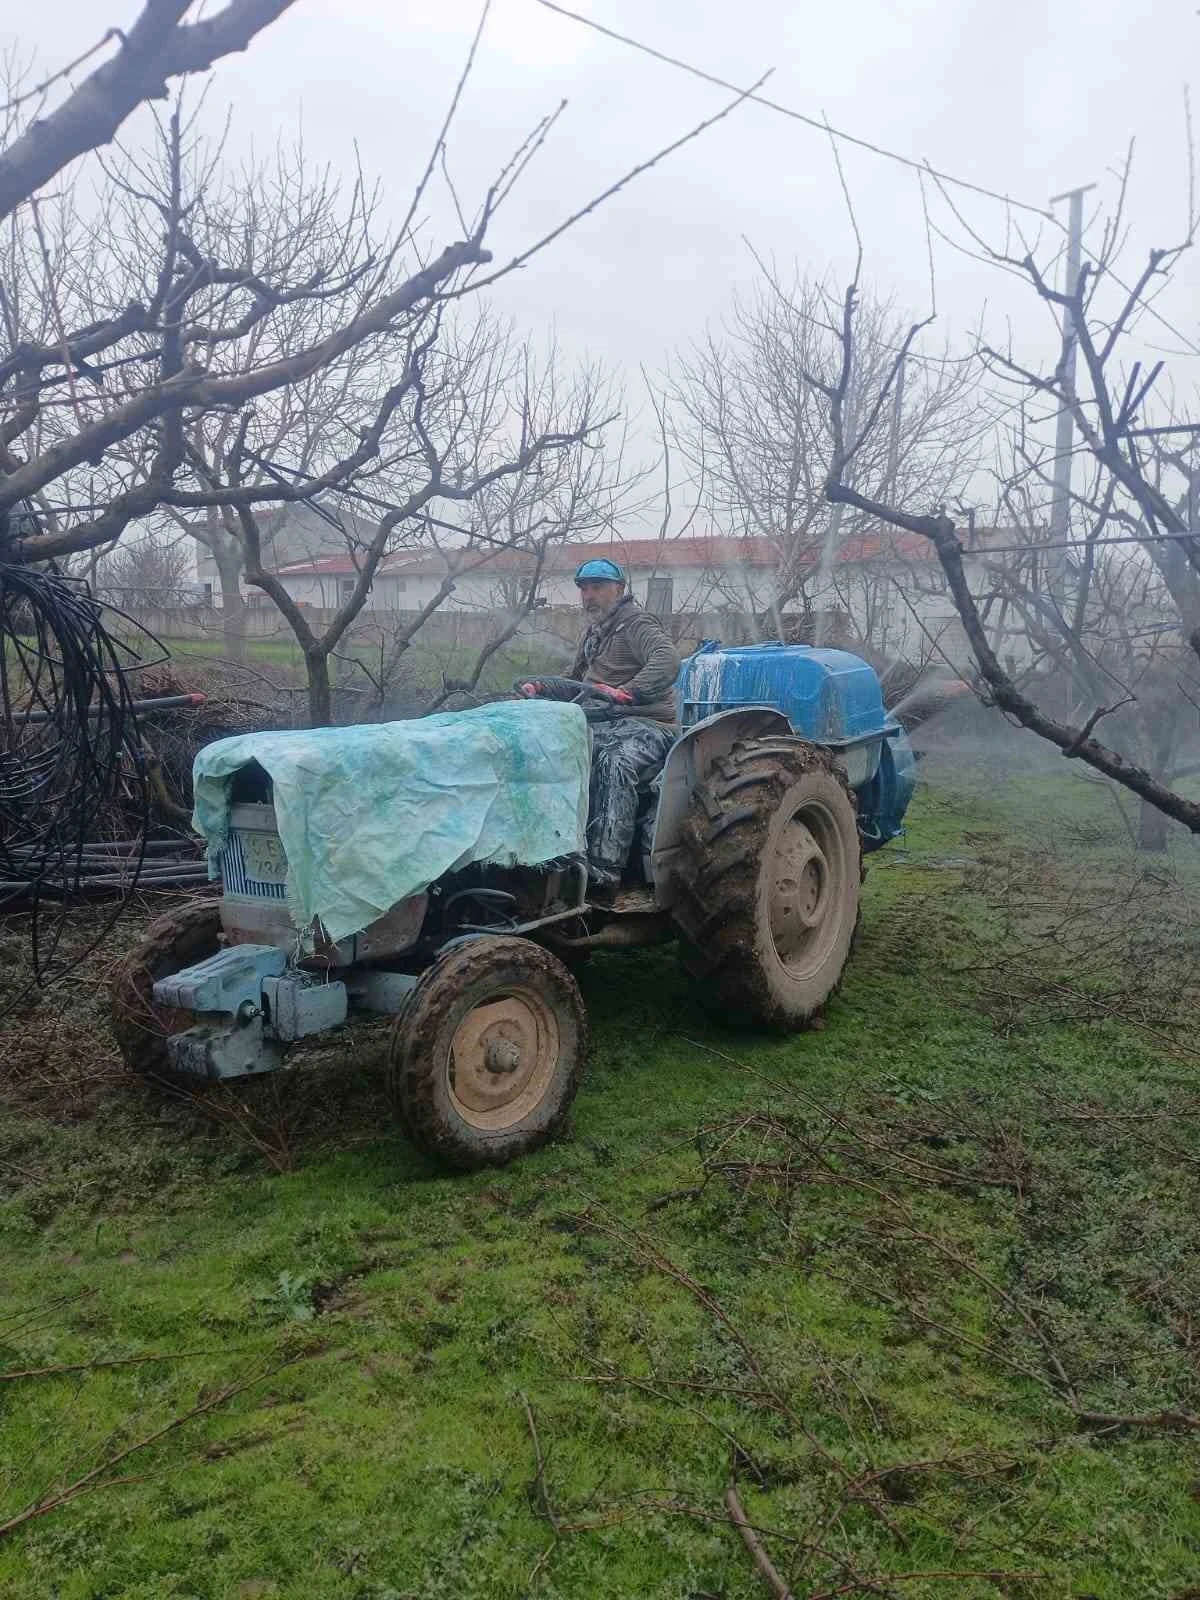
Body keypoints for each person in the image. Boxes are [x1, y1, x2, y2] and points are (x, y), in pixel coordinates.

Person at [520, 558, 681, 890]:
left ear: (618, 589)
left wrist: (629, 692)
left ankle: (604, 874)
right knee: (548, 750)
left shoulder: (637, 624)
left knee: (613, 762)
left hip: (648, 724)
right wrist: (540, 688)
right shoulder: (594, 633)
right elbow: (577, 682)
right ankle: (551, 854)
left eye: (597, 588)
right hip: (605, 722)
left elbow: (667, 659)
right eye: (584, 589)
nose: (589, 595)